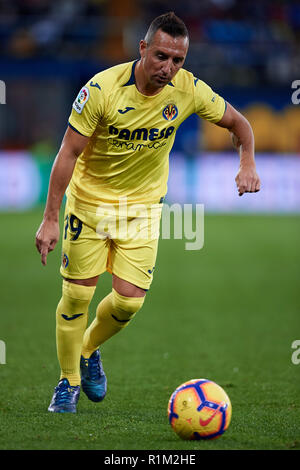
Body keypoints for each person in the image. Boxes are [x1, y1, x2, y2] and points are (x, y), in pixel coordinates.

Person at [35, 12, 260, 413]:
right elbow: (68, 152)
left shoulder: (188, 90)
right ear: (142, 49)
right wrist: (51, 217)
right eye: (161, 56)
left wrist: (247, 164)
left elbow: (240, 124)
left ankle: (89, 350)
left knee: (128, 304)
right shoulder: (102, 89)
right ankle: (67, 383)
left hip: (141, 210)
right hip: (88, 205)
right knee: (76, 296)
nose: (168, 68)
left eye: (177, 60)